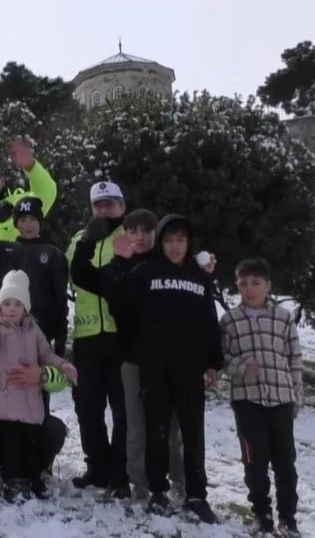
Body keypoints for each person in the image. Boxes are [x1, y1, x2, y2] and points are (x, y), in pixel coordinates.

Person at [70, 208, 185, 501]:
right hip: (127, 354)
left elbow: (189, 286)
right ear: (126, 234)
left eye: (147, 231)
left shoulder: (166, 263)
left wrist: (201, 264)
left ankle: (173, 482)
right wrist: (89, 244)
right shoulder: (117, 264)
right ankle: (126, 477)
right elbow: (82, 275)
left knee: (166, 424)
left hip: (165, 357)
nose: (140, 237)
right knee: (130, 418)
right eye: (133, 231)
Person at [122, 214, 223, 523]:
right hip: (154, 366)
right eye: (168, 240)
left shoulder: (199, 277)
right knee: (157, 429)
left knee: (193, 432)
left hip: (190, 368)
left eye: (181, 240)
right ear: (160, 243)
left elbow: (209, 319)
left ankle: (196, 495)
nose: (175, 246)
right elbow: (126, 314)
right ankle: (156, 491)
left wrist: (214, 362)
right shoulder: (144, 273)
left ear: (189, 243)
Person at [0, 284, 69, 493]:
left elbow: (61, 379)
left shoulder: (24, 333)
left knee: (55, 429)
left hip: (24, 417)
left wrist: (41, 375)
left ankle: (35, 470)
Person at [0, 270, 77, 502]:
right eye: (7, 303)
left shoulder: (34, 330)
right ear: (0, 307)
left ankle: (33, 479)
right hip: (6, 403)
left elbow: (46, 355)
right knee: (12, 446)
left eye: (18, 304)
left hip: (30, 403)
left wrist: (63, 365)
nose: (12, 308)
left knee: (30, 445)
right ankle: (12, 481)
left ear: (26, 308)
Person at [220, 258, 302, 537]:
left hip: (281, 398)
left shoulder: (283, 317)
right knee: (254, 461)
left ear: (268, 286)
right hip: (247, 400)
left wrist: (296, 395)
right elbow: (223, 359)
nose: (249, 289)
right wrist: (242, 368)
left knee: (284, 461)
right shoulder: (230, 320)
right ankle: (261, 514)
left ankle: (288, 518)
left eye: (256, 283)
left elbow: (295, 358)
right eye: (243, 283)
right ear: (236, 285)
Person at [65, 181, 130, 496]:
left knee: (123, 407)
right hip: (87, 335)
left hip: (121, 337)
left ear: (122, 205)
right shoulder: (78, 238)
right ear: (91, 208)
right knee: (87, 406)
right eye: (99, 204)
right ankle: (98, 468)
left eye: (111, 203)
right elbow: (69, 277)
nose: (105, 209)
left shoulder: (131, 236)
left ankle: (121, 474)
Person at [0, 197, 69, 356]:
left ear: (40, 222)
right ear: (16, 223)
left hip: (39, 337)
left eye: (33, 219)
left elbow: (61, 302)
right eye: (23, 219)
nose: (28, 225)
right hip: (3, 336)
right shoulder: (1, 250)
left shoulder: (53, 254)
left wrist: (60, 342)